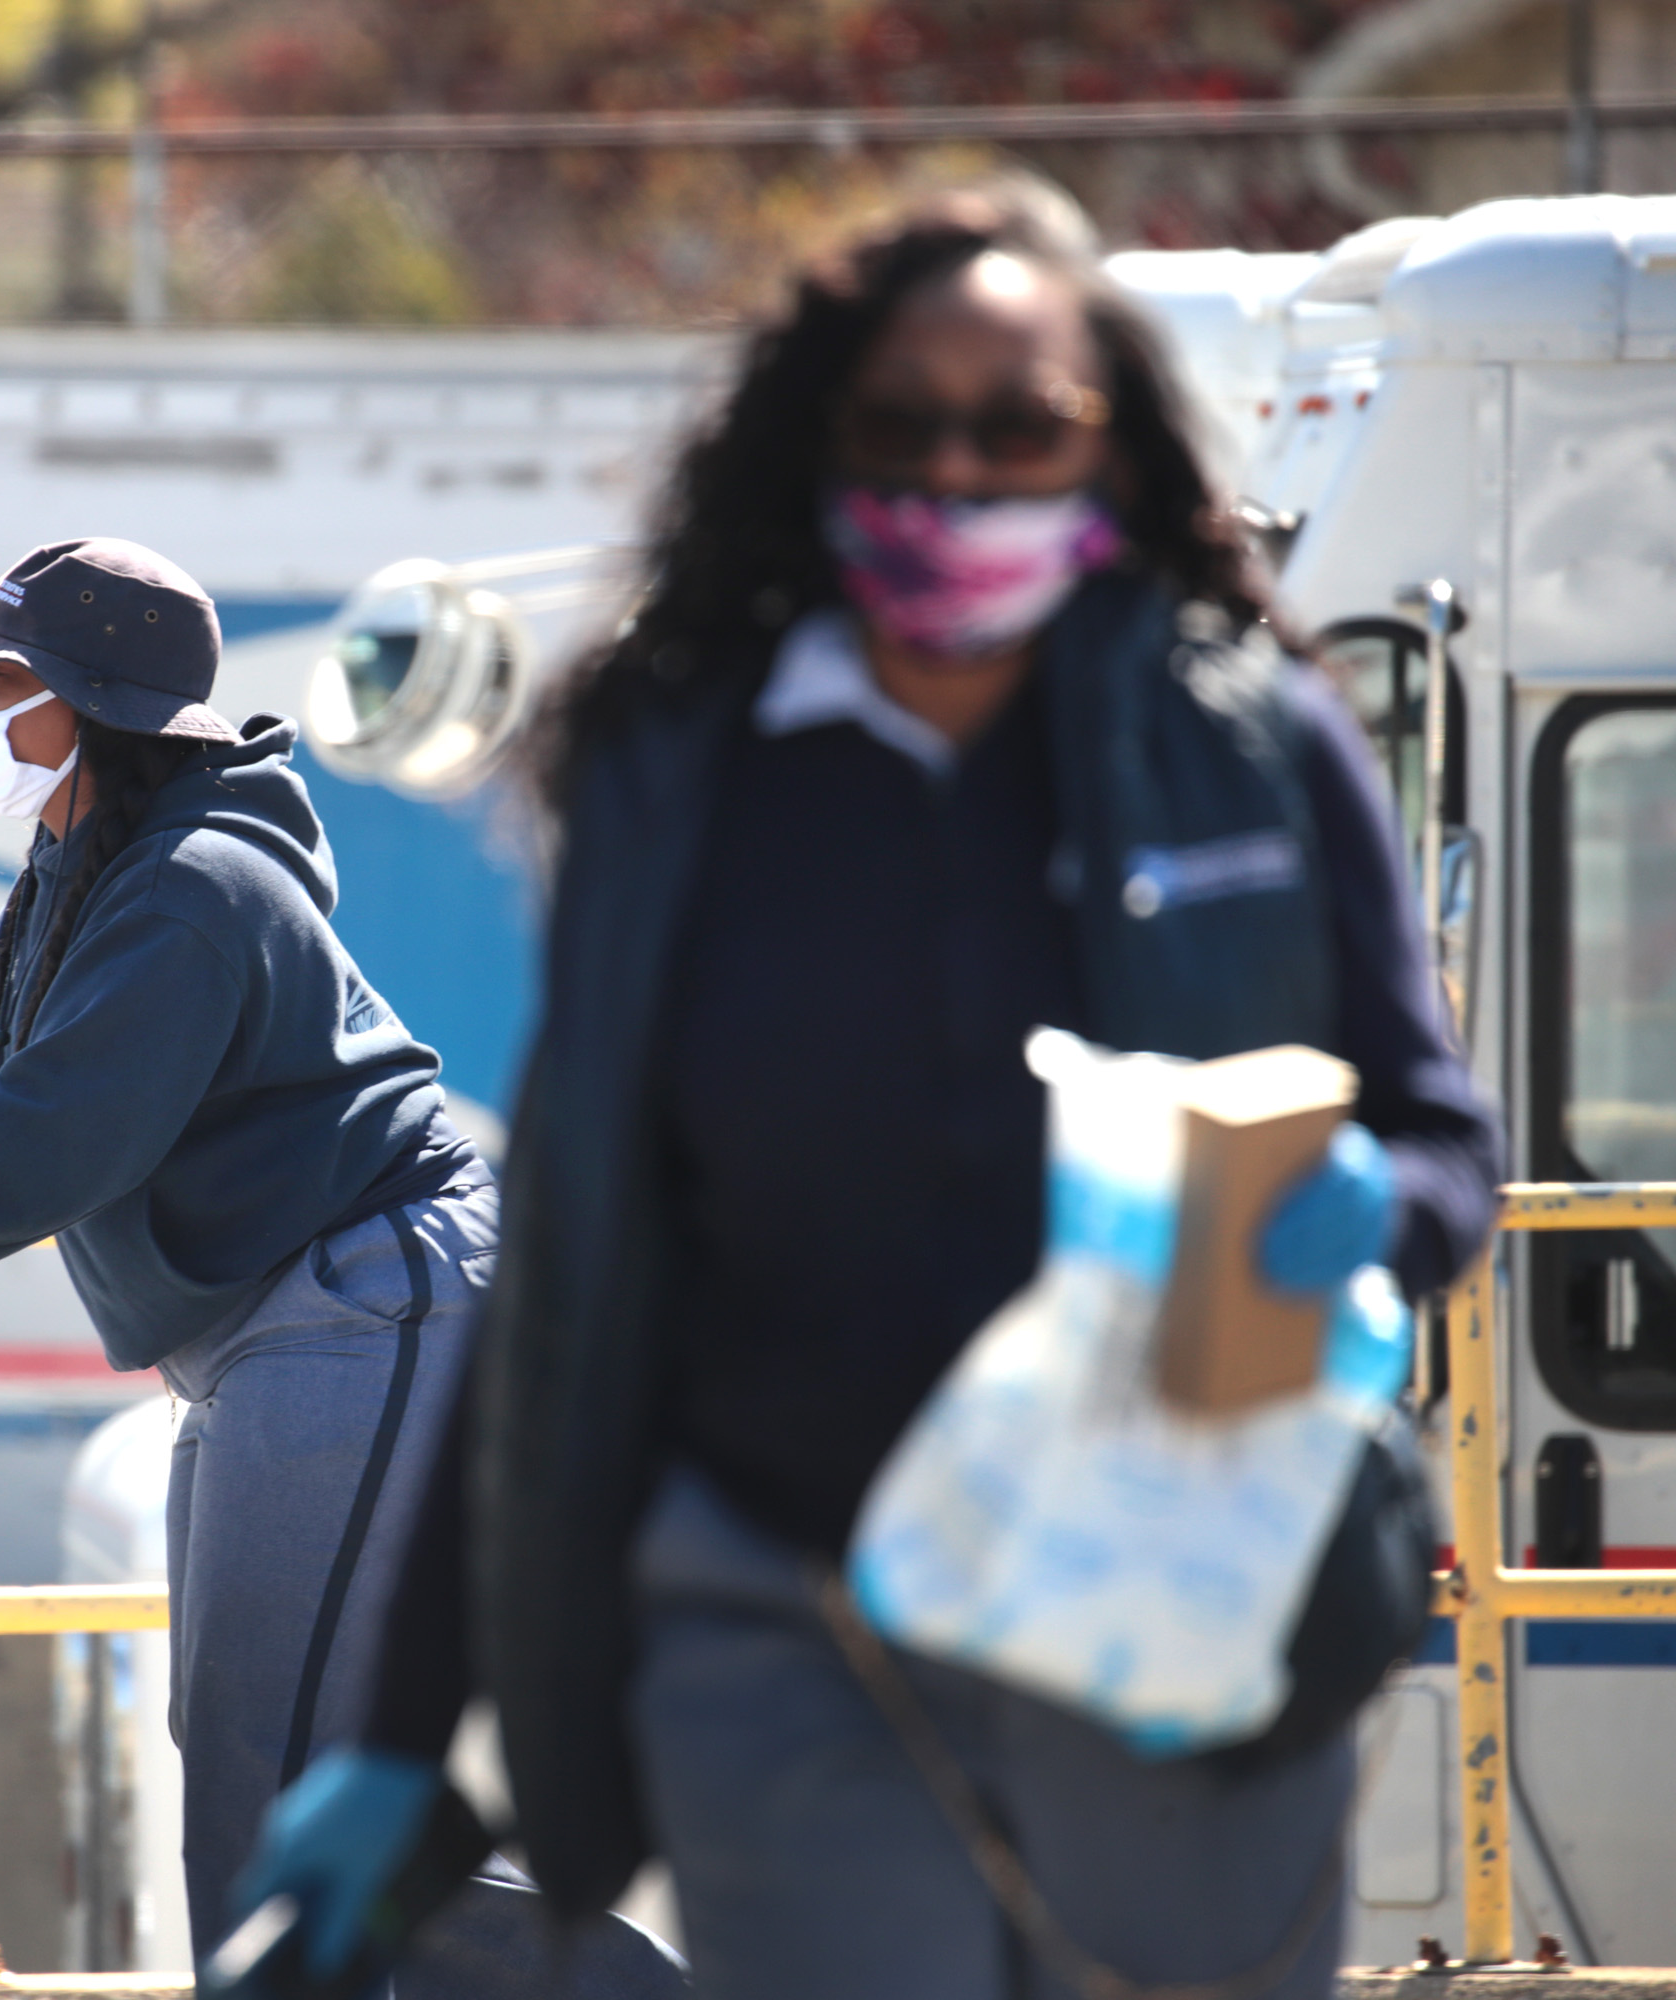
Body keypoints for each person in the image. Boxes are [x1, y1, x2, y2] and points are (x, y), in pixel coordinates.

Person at [228, 203, 1504, 2000]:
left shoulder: (1250, 739)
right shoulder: (683, 772)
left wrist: (1381, 1206)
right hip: (784, 1627)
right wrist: (399, 1728)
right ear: (815, 439)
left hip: (1186, 1625)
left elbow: (1446, 1136)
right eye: (901, 425)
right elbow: (570, 1270)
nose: (960, 471)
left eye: (1020, 423)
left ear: (1108, 447)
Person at [0, 537, 682, 1994]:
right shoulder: (94, 852)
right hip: (297, 1325)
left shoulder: (188, 886)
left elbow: (44, 1148)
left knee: (267, 1780)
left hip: (367, 1303)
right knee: (248, 1760)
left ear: (94, 701)